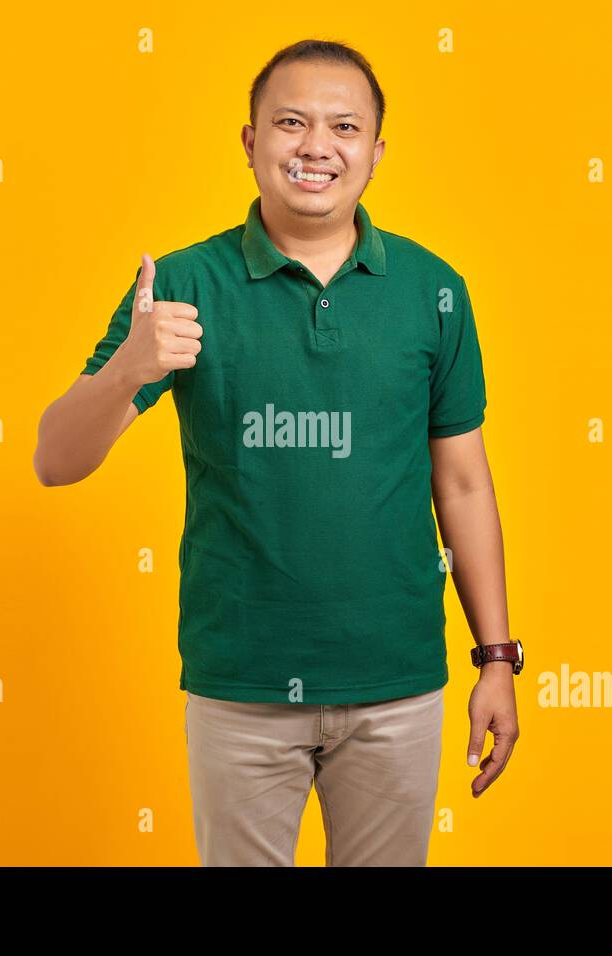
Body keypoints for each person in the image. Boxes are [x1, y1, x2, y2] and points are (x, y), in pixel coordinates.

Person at [34, 38, 523, 866]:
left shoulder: (434, 289)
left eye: (343, 126)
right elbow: (56, 459)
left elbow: (464, 485)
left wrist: (497, 658)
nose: (315, 147)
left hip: (397, 680)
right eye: (290, 123)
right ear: (250, 141)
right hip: (241, 683)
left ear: (375, 150)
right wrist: (128, 369)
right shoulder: (184, 285)